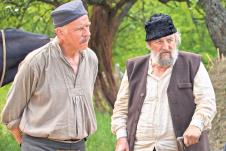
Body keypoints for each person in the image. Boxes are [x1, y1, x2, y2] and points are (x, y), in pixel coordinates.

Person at [1, 0, 98, 150]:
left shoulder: (91, 59)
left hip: (79, 146)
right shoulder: (36, 62)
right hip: (41, 146)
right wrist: (27, 144)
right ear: (60, 32)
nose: (87, 33)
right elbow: (11, 113)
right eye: (80, 29)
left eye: (88, 26)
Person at [111, 13, 216, 151]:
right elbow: (120, 109)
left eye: (170, 40)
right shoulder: (133, 68)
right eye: (159, 42)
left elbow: (207, 102)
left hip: (179, 147)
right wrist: (122, 138)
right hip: (140, 147)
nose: (166, 46)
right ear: (149, 44)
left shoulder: (193, 64)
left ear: (176, 40)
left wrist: (196, 124)